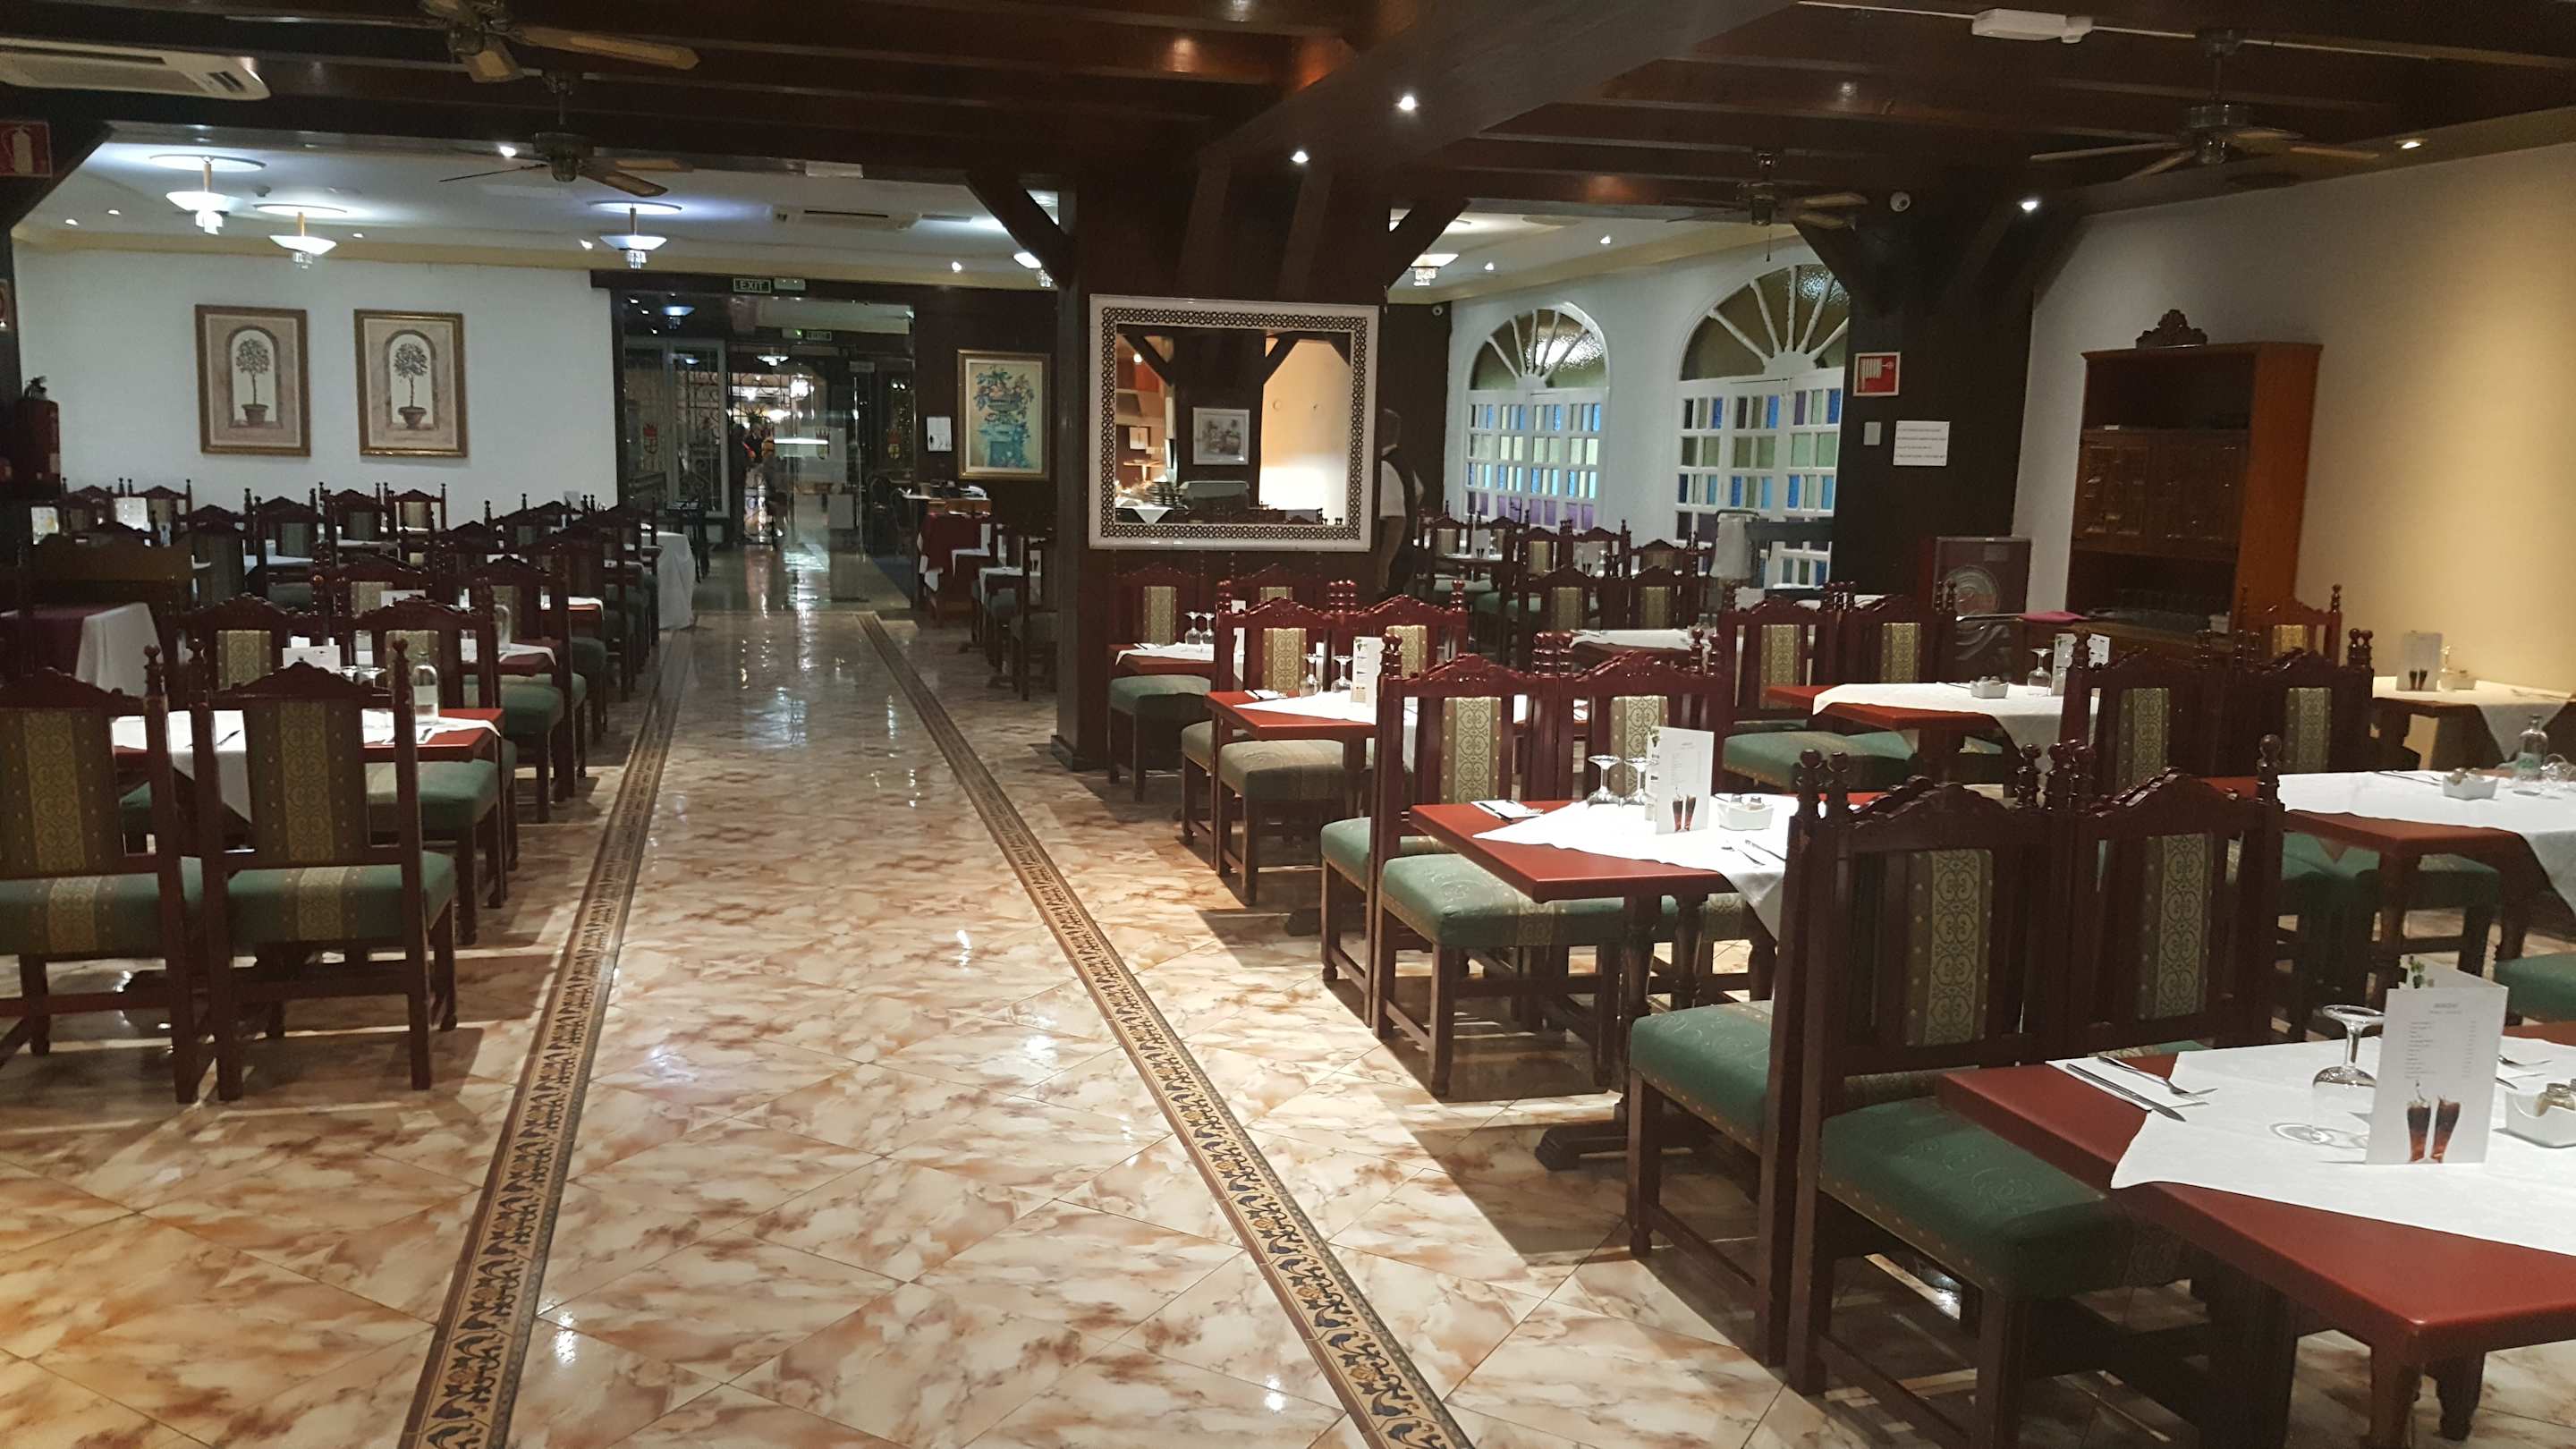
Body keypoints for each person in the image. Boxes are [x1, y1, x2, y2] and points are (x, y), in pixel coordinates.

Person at [1374, 408, 1422, 598]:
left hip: (1392, 556)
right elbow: (1419, 492)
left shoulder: (1385, 467)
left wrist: (1383, 565)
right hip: (1405, 552)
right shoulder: (1401, 462)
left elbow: (1396, 521)